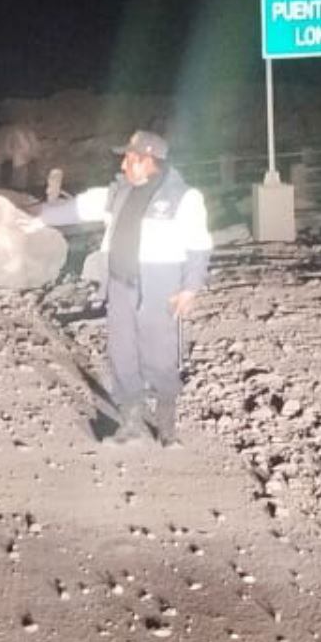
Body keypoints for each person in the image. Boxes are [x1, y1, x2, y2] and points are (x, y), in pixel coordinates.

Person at [37, 129, 212, 445]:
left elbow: (199, 245)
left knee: (160, 356)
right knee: (122, 354)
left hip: (160, 286)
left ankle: (166, 423)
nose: (123, 166)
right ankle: (130, 421)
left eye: (129, 159)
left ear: (147, 161)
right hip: (119, 284)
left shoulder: (184, 198)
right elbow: (78, 207)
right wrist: (35, 217)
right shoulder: (118, 192)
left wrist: (190, 288)